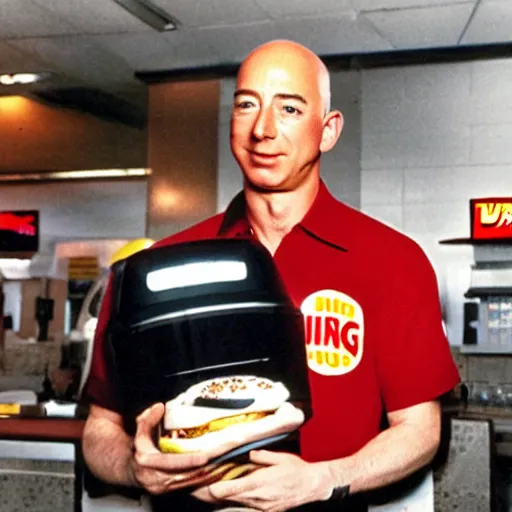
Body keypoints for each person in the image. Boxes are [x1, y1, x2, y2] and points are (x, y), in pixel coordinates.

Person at [81, 39, 460, 511]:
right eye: (246, 105)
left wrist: (325, 480)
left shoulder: (392, 261)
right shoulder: (156, 266)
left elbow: (420, 431)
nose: (263, 129)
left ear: (328, 130)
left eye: (290, 108)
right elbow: (100, 428)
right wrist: (134, 469)